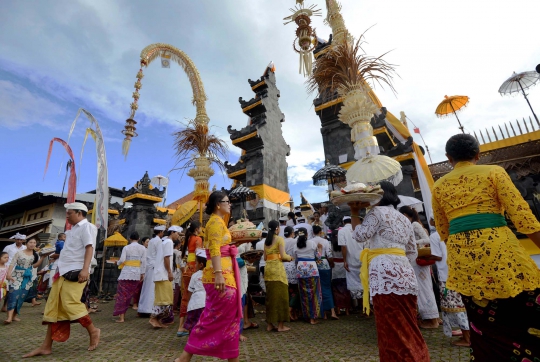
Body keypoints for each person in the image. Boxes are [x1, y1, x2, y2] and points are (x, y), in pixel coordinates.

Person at [432, 134, 540, 360]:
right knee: (523, 316)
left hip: (464, 260)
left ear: (448, 158)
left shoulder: (439, 185)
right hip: (501, 251)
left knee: (483, 326)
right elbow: (522, 217)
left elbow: (443, 230)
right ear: (478, 155)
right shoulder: (494, 172)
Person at [350, 181, 430, 361]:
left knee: (390, 328)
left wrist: (354, 212)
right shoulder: (403, 217)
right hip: (405, 273)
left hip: (384, 274)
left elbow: (359, 235)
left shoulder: (376, 212)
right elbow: (412, 252)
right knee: (409, 324)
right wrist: (397, 262)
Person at [24, 202, 100, 357]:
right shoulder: (71, 231)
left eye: (69, 213)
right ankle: (46, 346)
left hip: (77, 271)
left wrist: (85, 269)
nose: (67, 216)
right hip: (63, 271)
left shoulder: (87, 227)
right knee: (54, 306)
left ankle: (93, 331)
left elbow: (89, 248)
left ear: (79, 213)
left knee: (70, 303)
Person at [176, 191, 242, 362]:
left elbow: (221, 247)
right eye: (227, 201)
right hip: (219, 276)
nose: (230, 204)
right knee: (213, 317)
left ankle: (231, 356)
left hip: (226, 274)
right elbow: (214, 250)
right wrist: (219, 274)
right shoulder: (214, 223)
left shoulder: (220, 222)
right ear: (218, 204)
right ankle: (185, 355)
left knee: (227, 317)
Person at [426, 217, 470, 346]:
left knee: (456, 307)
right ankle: (467, 333)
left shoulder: (435, 235)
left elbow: (438, 256)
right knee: (463, 306)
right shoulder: (456, 231)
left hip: (447, 277)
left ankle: (467, 338)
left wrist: (426, 255)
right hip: (461, 274)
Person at [399, 206, 440, 329]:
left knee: (424, 289)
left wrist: (413, 243)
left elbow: (426, 238)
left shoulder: (415, 224)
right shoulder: (410, 225)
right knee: (423, 288)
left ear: (406, 214)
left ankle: (432, 319)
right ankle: (433, 317)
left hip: (419, 261)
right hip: (414, 262)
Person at [5, 236, 46, 323]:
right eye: (30, 242)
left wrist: (42, 258)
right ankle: (9, 317)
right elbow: (12, 263)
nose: (32, 244)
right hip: (16, 276)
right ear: (26, 243)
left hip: (27, 278)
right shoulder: (19, 253)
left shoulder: (35, 254)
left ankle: (14, 316)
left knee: (21, 297)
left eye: (34, 243)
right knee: (13, 295)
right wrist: (8, 274)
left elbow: (34, 266)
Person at [263, 220, 292, 332]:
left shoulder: (267, 240)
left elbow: (265, 258)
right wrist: (290, 258)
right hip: (277, 271)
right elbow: (284, 256)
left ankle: (270, 324)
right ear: (277, 228)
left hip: (268, 270)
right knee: (281, 297)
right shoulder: (279, 239)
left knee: (270, 298)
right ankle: (280, 325)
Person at [150, 225, 181, 328]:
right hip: (163, 274)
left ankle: (157, 319)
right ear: (172, 233)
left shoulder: (165, 242)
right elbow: (166, 258)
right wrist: (169, 272)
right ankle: (153, 318)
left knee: (165, 298)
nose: (178, 236)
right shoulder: (168, 242)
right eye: (177, 233)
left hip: (162, 274)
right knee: (164, 298)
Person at [113, 231, 146, 323]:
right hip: (136, 273)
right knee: (129, 295)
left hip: (126, 273)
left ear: (130, 239)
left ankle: (121, 317)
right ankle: (124, 314)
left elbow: (122, 259)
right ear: (139, 238)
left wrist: (118, 262)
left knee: (122, 295)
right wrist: (142, 273)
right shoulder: (143, 248)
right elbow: (143, 262)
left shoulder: (126, 247)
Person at [177, 222, 203, 336]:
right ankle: (190, 325)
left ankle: (181, 326)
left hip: (187, 268)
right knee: (194, 297)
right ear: (197, 229)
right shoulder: (197, 239)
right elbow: (199, 254)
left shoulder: (188, 239)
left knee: (185, 297)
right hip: (194, 268)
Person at [294, 227, 323, 325]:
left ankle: (306, 316)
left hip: (301, 270)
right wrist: (320, 249)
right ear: (307, 234)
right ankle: (313, 317)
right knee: (314, 294)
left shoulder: (296, 245)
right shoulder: (312, 243)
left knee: (304, 294)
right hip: (312, 270)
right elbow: (318, 257)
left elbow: (295, 259)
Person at [138, 225, 165, 315]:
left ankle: (143, 308)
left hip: (149, 266)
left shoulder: (152, 241)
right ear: (160, 232)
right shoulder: (158, 241)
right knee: (152, 288)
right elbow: (159, 255)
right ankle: (150, 309)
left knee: (146, 287)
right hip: (154, 266)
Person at [312, 225, 338, 320]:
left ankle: (323, 312)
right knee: (327, 287)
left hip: (314, 265)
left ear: (313, 232)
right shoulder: (326, 241)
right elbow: (330, 255)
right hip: (325, 264)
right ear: (320, 232)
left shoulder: (310, 241)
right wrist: (331, 263)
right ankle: (332, 311)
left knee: (318, 289)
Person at [338, 216, 364, 303]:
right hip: (362, 258)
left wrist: (344, 260)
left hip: (351, 260)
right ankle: (366, 306)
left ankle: (362, 306)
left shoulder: (342, 231)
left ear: (343, 222)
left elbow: (343, 247)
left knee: (354, 284)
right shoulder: (360, 229)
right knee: (364, 281)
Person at [181, 250, 207, 334]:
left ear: (201, 264)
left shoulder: (195, 275)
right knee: (204, 324)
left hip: (195, 304)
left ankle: (192, 340)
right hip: (206, 303)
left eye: (196, 262)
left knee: (192, 325)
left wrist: (188, 302)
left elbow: (190, 291)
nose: (195, 264)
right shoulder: (211, 275)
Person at [330, 229, 351, 315]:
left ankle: (338, 309)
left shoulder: (331, 245)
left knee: (336, 289)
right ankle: (347, 310)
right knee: (345, 288)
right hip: (344, 265)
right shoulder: (344, 245)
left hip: (335, 266)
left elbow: (330, 256)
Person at [283, 226, 300, 320]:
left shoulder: (282, 241)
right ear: (292, 233)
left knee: (287, 290)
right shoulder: (295, 241)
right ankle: (291, 310)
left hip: (284, 266)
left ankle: (292, 311)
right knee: (295, 290)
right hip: (293, 265)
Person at [132, 236, 151, 310]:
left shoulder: (149, 250)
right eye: (147, 242)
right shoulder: (141, 249)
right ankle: (135, 303)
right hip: (140, 269)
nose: (148, 243)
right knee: (138, 287)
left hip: (147, 270)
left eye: (149, 242)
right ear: (143, 242)